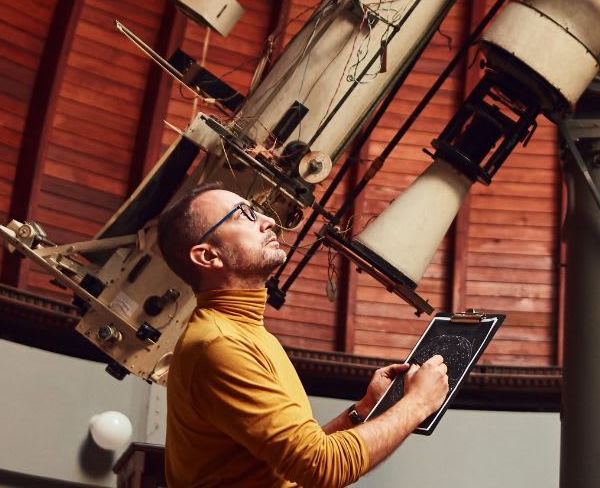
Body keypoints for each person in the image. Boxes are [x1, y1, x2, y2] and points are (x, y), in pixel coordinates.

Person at [156, 182, 448, 487]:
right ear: (207, 256)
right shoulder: (220, 345)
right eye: (243, 214)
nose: (268, 221)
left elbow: (295, 461)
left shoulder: (245, 332)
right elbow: (321, 467)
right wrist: (418, 403)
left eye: (257, 210)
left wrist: (363, 409)